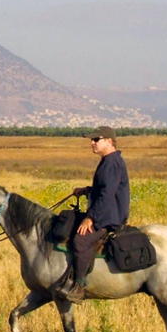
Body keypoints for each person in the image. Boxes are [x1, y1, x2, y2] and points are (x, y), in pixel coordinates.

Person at [58, 126, 130, 304]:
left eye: (96, 139)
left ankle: (79, 286)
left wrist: (91, 218)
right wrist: (86, 190)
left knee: (80, 240)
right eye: (92, 140)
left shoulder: (111, 163)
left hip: (109, 217)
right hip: (106, 212)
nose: (92, 143)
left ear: (109, 141)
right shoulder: (108, 160)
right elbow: (103, 189)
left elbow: (107, 194)